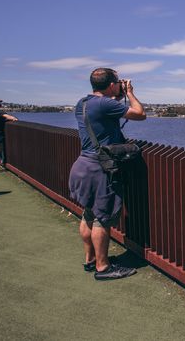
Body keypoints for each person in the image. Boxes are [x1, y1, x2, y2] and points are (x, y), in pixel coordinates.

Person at [68, 68, 146, 280]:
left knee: (89, 214)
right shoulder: (105, 104)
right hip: (100, 169)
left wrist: (117, 94)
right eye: (118, 82)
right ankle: (103, 268)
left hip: (83, 165)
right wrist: (129, 93)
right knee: (102, 218)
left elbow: (105, 113)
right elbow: (140, 114)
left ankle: (90, 260)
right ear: (111, 84)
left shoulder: (82, 103)